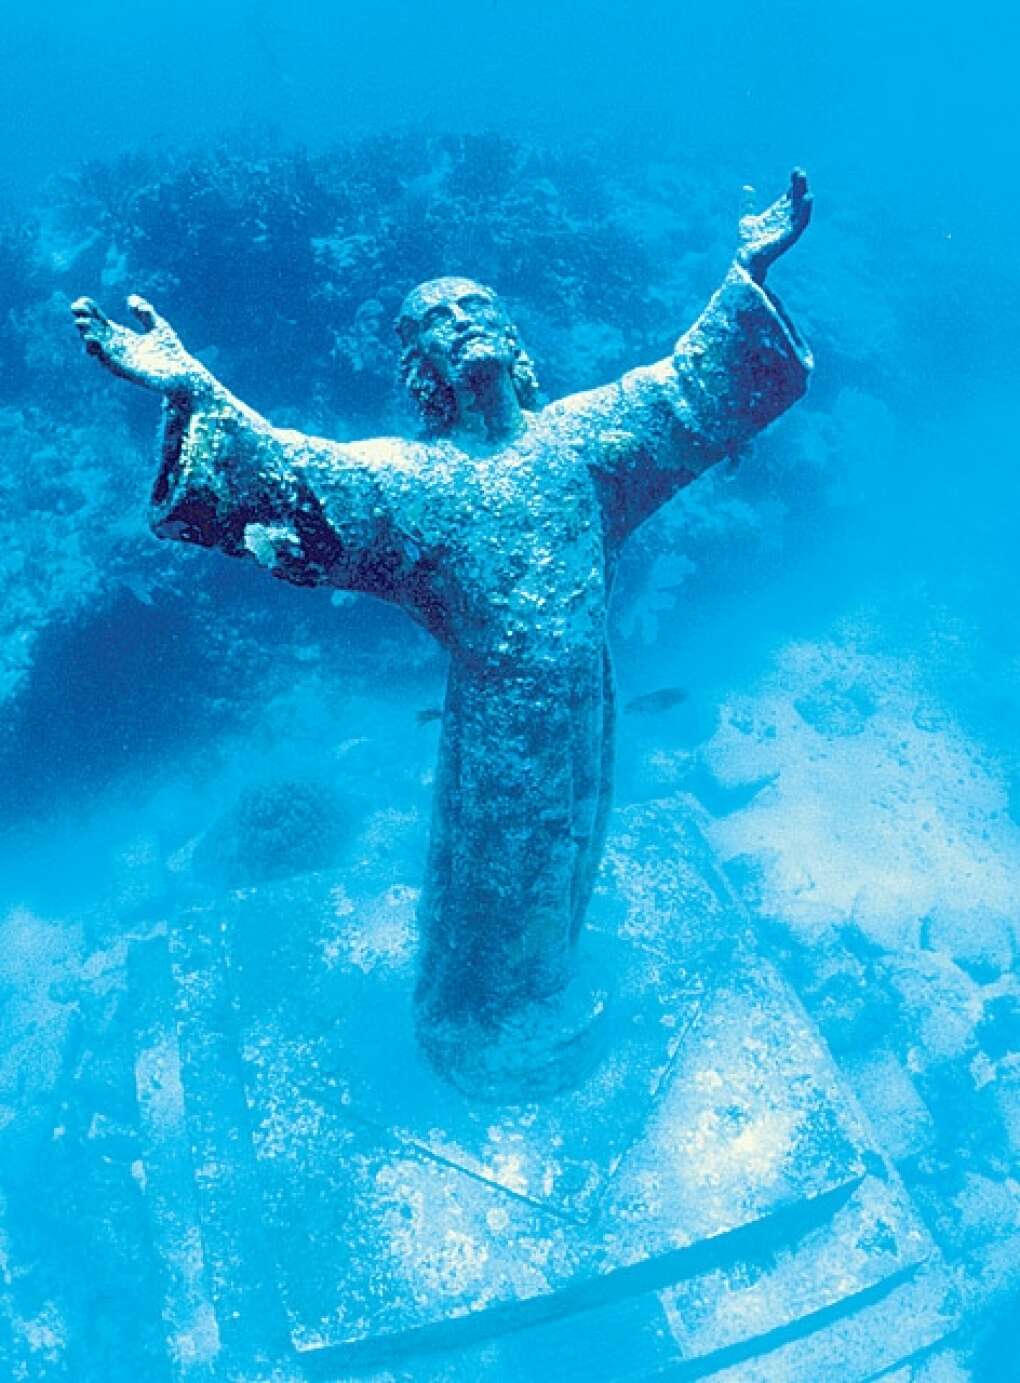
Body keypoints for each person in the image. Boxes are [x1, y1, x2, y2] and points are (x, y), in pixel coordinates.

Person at [72, 169, 813, 1090]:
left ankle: (535, 999)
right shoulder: (414, 482)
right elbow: (296, 474)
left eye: (474, 306)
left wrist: (747, 269)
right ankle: (480, 1033)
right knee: (502, 879)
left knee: (572, 850)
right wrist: (194, 389)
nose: (460, 320)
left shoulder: (583, 444)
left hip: (588, 699)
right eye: (434, 321)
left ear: (510, 334)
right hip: (501, 731)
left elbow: (684, 393)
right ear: (421, 369)